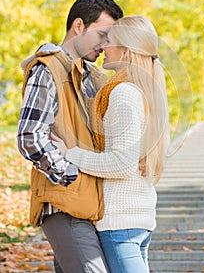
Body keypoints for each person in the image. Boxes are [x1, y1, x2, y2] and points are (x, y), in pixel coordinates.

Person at [52, 15, 170, 273]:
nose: (103, 46)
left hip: (120, 223)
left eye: (109, 40)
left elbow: (121, 164)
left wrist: (70, 153)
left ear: (126, 51)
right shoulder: (144, 90)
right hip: (138, 218)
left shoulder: (123, 93)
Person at [17, 0, 123, 273]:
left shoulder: (91, 76)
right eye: (102, 34)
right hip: (64, 204)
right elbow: (29, 136)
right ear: (79, 26)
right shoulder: (47, 69)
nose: (105, 45)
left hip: (89, 206)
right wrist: (70, 175)